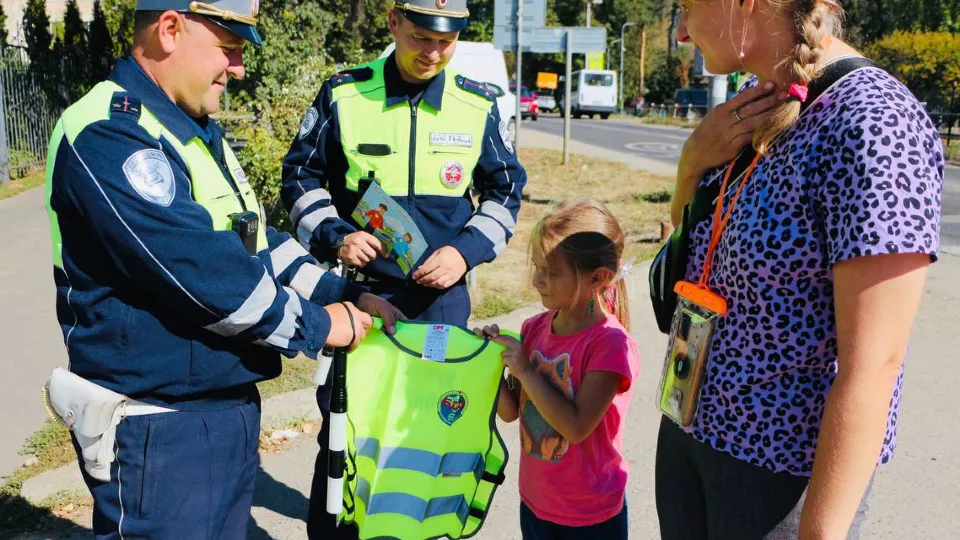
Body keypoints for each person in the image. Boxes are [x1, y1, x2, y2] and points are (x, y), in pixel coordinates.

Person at [42, 1, 403, 538]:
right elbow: (208, 277)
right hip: (157, 427)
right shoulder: (109, 135)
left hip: (218, 410)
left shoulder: (191, 129)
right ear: (169, 30)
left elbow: (254, 240)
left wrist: (338, 290)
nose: (238, 68)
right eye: (229, 48)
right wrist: (324, 325)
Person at [655, 1, 944, 539]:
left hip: (777, 476)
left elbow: (874, 363)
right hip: (691, 428)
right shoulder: (756, 101)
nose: (681, 35)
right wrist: (692, 162)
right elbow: (690, 251)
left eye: (687, 7)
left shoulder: (873, 122)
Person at [281, 1, 526, 537]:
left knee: (434, 429)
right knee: (349, 430)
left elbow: (506, 193)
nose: (433, 53)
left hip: (441, 303)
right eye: (420, 38)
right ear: (393, 24)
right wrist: (336, 236)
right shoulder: (344, 94)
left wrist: (464, 251)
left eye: (446, 41)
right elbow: (299, 179)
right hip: (362, 302)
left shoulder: (478, 104)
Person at [476, 200, 640, 540]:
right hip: (537, 502)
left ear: (598, 277)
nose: (538, 281)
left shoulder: (608, 344)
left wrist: (525, 370)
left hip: (590, 515)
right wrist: (488, 362)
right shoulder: (534, 328)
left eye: (552, 273)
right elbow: (511, 412)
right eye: (537, 267)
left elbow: (577, 427)